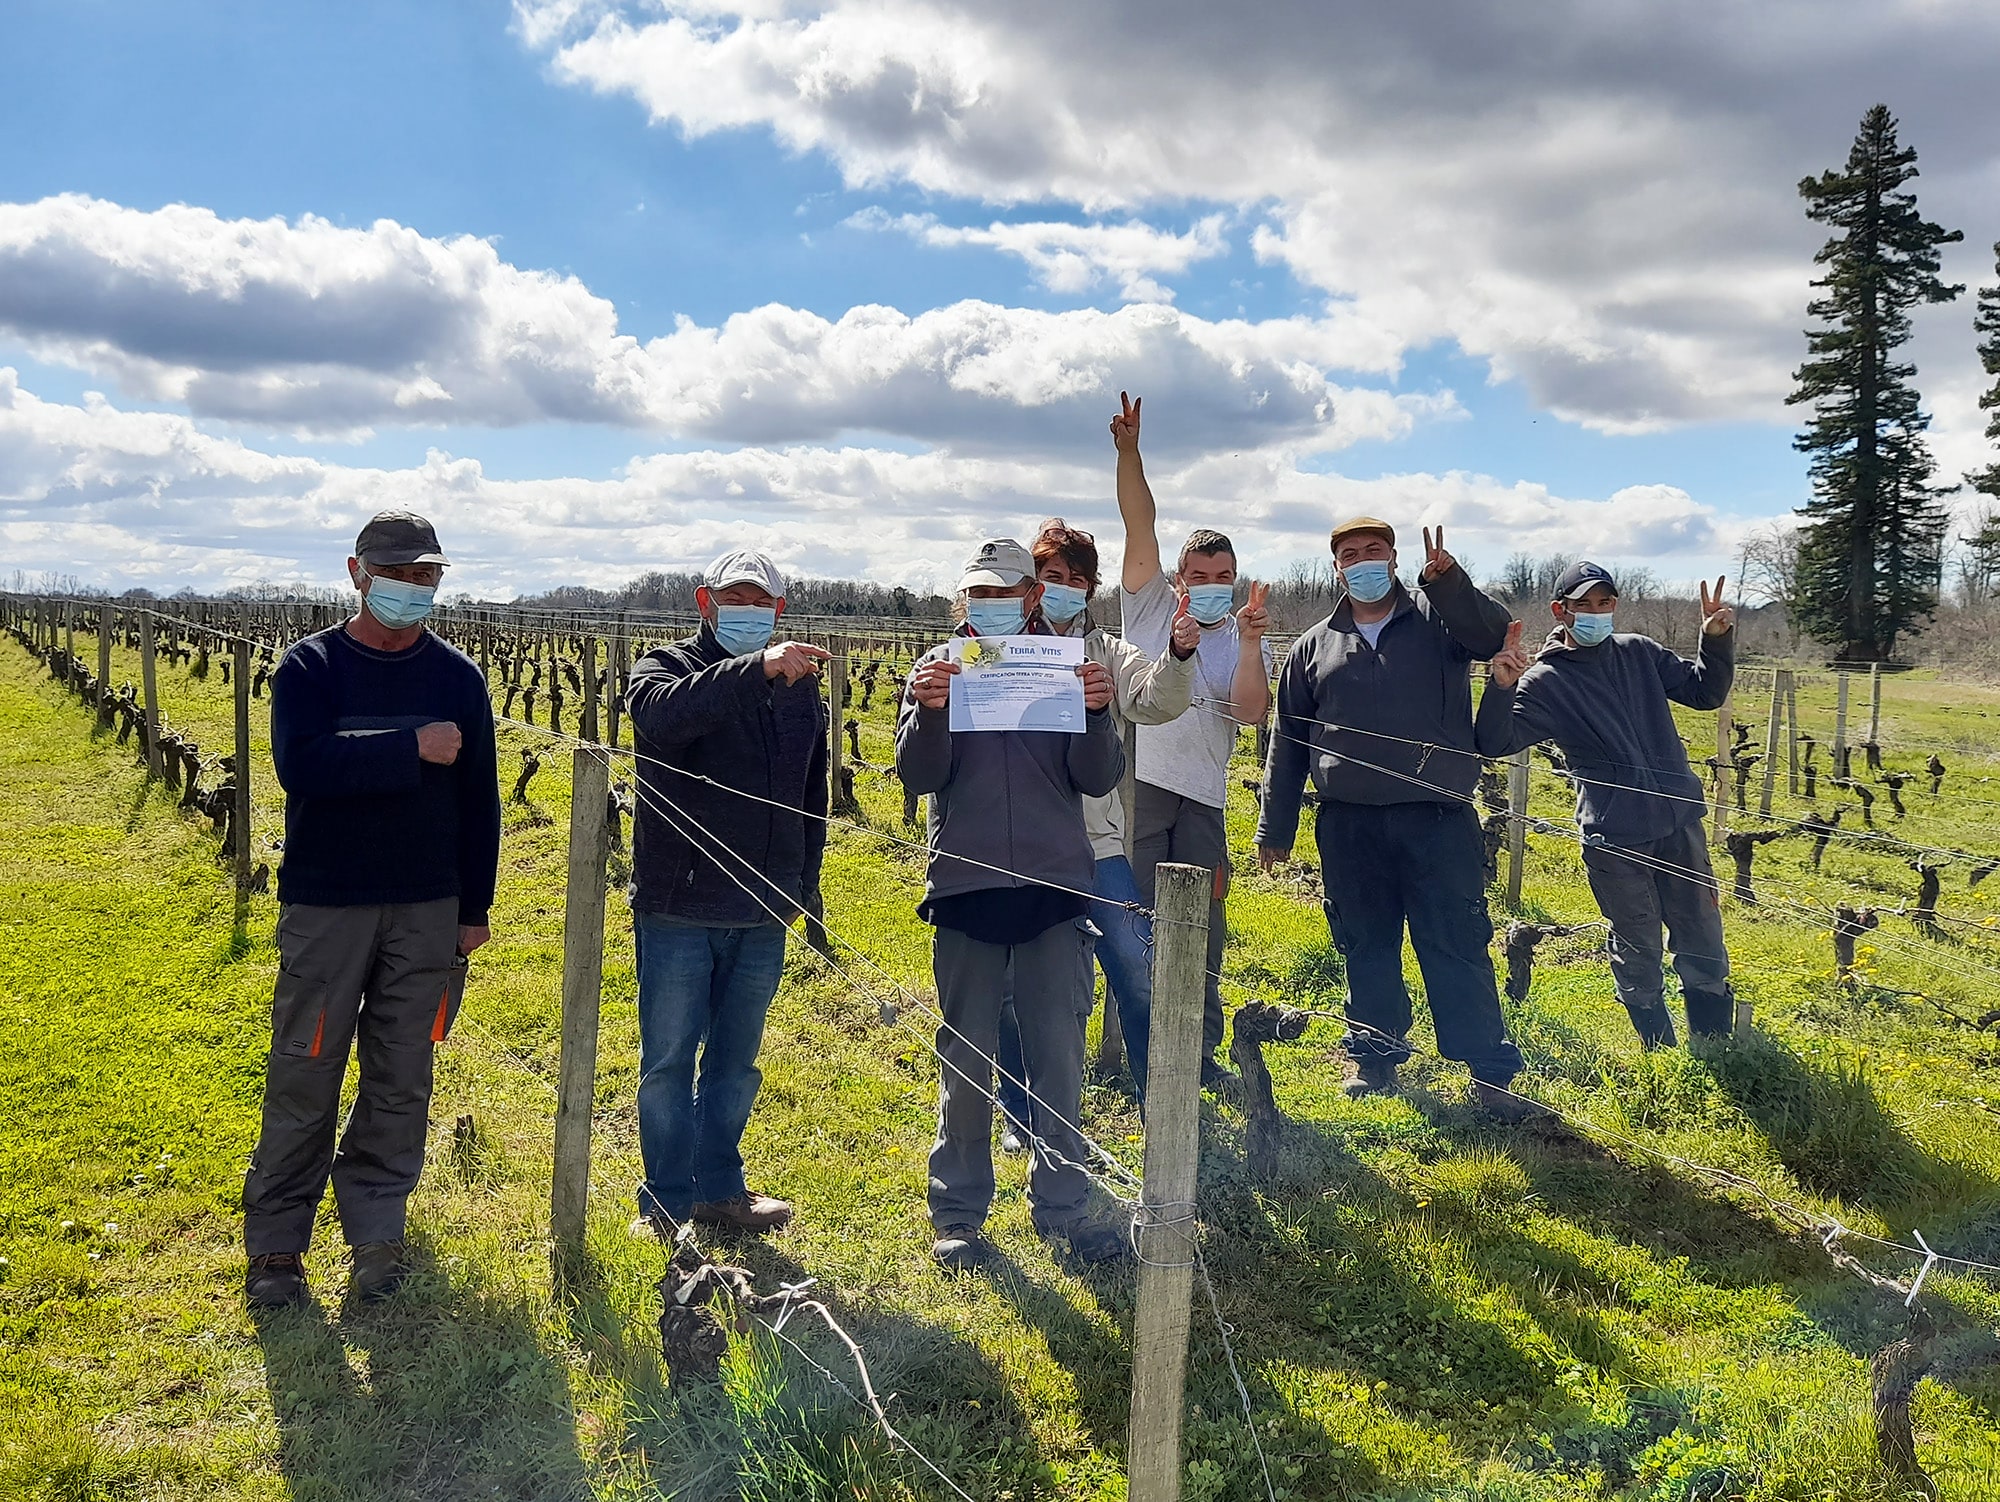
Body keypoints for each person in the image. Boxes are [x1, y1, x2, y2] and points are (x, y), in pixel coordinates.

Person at [243, 511, 500, 1308]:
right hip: (330, 906)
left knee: (402, 1074)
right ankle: (278, 1249)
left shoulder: (458, 677)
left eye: (427, 576)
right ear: (357, 572)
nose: (415, 588)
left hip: (428, 907)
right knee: (305, 1071)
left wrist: (475, 906)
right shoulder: (310, 667)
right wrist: (408, 747)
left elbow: (480, 798)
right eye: (399, 574)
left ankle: (377, 1237)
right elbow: (302, 768)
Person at [897, 538, 1127, 1269]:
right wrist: (929, 713)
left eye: (1009, 591)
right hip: (966, 890)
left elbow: (1097, 779)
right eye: (981, 593)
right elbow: (918, 773)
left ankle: (1062, 1206)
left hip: (1055, 892)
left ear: (1032, 596)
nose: (995, 604)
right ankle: (959, 1214)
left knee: (1057, 1059)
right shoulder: (937, 669)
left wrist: (1097, 713)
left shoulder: (1064, 666)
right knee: (965, 1061)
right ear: (965, 600)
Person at [1254, 516, 1533, 1119]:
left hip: (1439, 818)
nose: (1363, 561)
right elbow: (1289, 740)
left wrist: (1449, 581)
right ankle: (1375, 1056)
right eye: (1350, 554)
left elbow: (1492, 636)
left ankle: (1488, 1070)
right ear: (1335, 567)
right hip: (1348, 824)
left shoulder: (1438, 621)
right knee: (1364, 942)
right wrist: (1275, 827)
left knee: (1456, 941)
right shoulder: (1312, 645)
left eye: (1374, 550)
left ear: (1395, 557)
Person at [624, 548, 830, 1238]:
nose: (746, 611)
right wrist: (756, 667)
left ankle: (719, 1189)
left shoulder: (801, 691)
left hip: (762, 908)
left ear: (779, 609)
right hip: (679, 905)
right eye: (732, 598)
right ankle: (665, 1201)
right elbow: (660, 718)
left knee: (737, 1064)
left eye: (760, 601)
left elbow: (810, 796)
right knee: (669, 1060)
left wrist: (806, 889)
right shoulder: (665, 667)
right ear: (703, 603)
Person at [993, 518, 1198, 1145]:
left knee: (1137, 969)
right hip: (1017, 843)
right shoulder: (999, 647)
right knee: (1012, 980)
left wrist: (1181, 652)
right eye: (1051, 577)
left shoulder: (1105, 650)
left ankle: (1158, 1106)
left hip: (1095, 846)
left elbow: (1157, 698)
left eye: (1075, 581)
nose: (1062, 590)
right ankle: (1018, 1111)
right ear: (1032, 585)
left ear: (1090, 589)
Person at [1477, 565, 1738, 1046]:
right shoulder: (1544, 681)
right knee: (1638, 943)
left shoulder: (1639, 652)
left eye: (1605, 603)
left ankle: (1715, 1044)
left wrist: (1714, 640)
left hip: (1678, 821)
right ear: (1562, 611)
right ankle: (1658, 1048)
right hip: (1615, 837)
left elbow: (1704, 693)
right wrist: (1501, 687)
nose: (1597, 613)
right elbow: (1496, 741)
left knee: (1701, 931)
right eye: (1584, 605)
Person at [1111, 393, 1272, 1087]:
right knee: (1137, 923)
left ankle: (1198, 1054)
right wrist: (1129, 454)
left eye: (1220, 579)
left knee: (1204, 930)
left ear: (1232, 582)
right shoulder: (1147, 605)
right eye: (1198, 577)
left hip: (1204, 801)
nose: (1209, 587)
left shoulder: (1240, 634)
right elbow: (1138, 522)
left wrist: (1254, 646)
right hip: (1141, 789)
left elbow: (1250, 715)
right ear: (1178, 579)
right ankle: (1140, 1049)